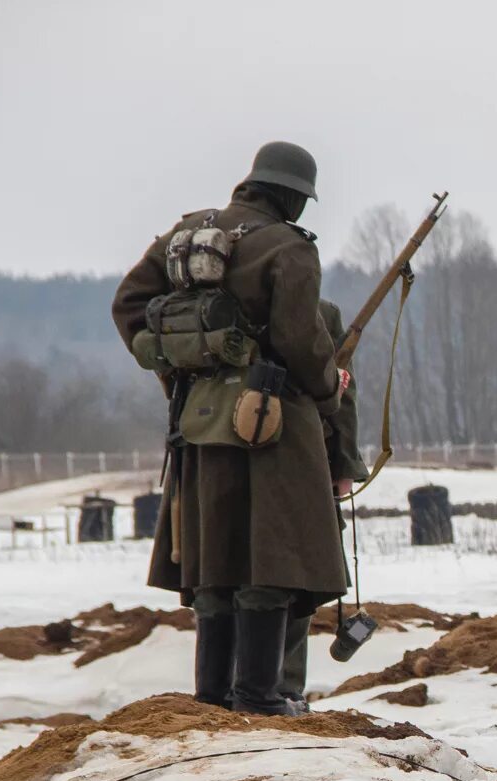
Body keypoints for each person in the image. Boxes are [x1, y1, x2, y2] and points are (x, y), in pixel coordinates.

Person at [110, 140, 351, 715]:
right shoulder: (289, 249)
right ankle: (260, 698)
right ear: (292, 195)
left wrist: (181, 375)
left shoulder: (186, 233)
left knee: (213, 558)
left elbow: (130, 306)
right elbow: (299, 338)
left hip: (197, 423)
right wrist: (328, 389)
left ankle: (212, 698)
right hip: (273, 423)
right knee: (273, 556)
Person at [278, 298, 371, 712]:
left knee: (296, 580)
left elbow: (341, 391)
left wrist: (342, 465)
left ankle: (282, 688)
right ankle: (260, 689)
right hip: (258, 458)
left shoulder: (321, 314)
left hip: (303, 458)